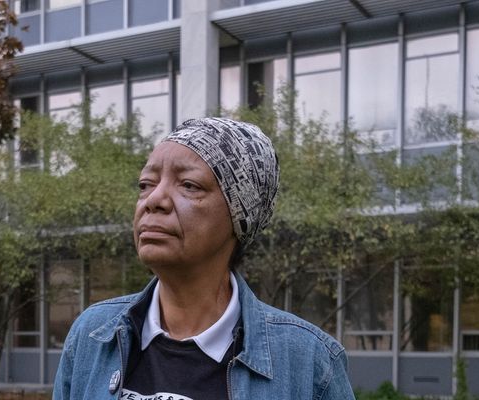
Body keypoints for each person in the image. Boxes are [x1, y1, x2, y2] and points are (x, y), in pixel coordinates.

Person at [54, 118, 354, 400]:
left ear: (240, 215)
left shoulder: (308, 361)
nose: (154, 200)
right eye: (146, 184)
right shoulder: (92, 335)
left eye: (189, 185)